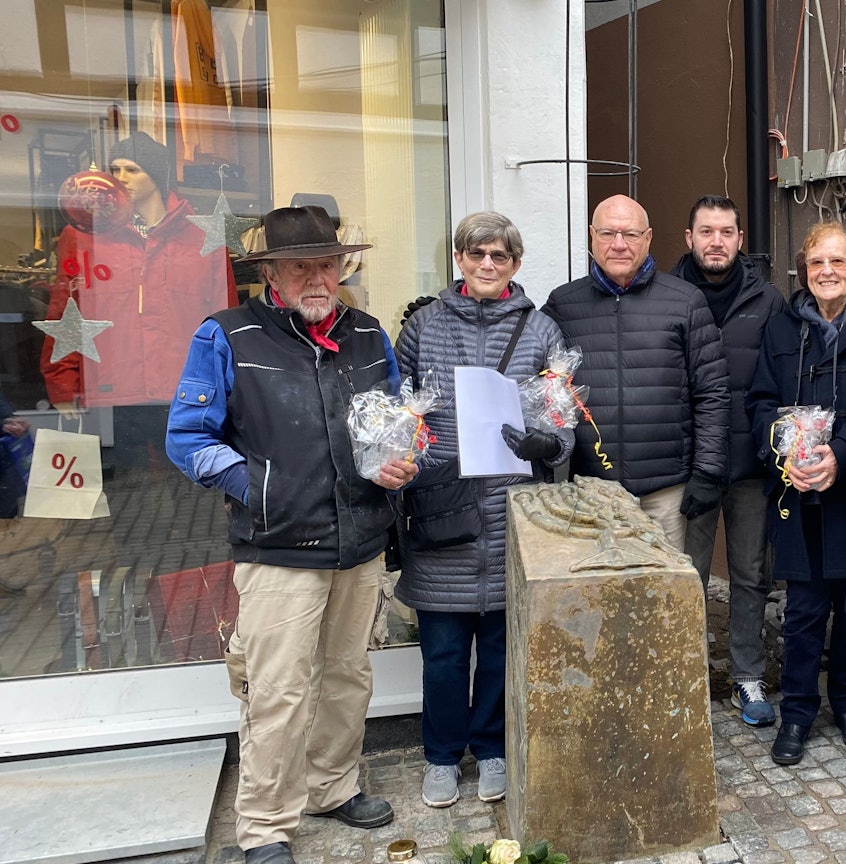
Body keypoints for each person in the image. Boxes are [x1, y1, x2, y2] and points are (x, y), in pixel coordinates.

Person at [165, 206, 414, 864]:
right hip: (279, 549)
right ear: (270, 273)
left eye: (326, 263)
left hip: (359, 542)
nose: (316, 276)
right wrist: (260, 491)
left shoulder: (367, 333)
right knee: (277, 692)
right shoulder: (227, 336)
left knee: (347, 676)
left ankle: (333, 787)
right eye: (299, 265)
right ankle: (266, 826)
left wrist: (397, 458)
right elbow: (187, 441)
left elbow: (388, 423)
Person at [393, 212, 573, 808]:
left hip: (511, 512)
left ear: (516, 264)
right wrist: (414, 452)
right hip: (443, 508)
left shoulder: (542, 329)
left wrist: (550, 442)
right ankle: (442, 757)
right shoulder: (422, 327)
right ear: (459, 260)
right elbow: (398, 412)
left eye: (499, 256)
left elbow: (560, 410)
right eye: (476, 255)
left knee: (499, 646)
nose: (487, 265)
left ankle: (492, 747)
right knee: (442, 652)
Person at [746, 222, 846, 767]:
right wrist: (786, 450)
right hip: (796, 490)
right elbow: (760, 401)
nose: (827, 272)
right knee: (803, 612)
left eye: (838, 262)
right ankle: (799, 713)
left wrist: (842, 455)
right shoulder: (783, 327)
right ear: (803, 270)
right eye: (816, 263)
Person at [542, 195, 730, 550]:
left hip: (667, 493)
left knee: (667, 600)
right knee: (600, 598)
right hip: (592, 493)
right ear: (591, 237)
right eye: (608, 233)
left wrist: (708, 471)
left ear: (648, 238)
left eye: (630, 234)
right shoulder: (563, 304)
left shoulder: (685, 301)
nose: (618, 245)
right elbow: (530, 356)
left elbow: (712, 393)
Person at [43, 131, 236, 460]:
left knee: (189, 500)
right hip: (113, 393)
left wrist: (230, 388)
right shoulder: (85, 236)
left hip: (187, 393)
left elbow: (224, 315)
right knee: (124, 497)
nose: (120, 179)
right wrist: (63, 383)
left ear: (157, 175)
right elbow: (66, 314)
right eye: (114, 170)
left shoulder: (202, 238)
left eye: (132, 170)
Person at [672, 195, 785, 728]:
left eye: (727, 232)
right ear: (687, 238)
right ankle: (685, 676)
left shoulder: (768, 300)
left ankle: (747, 674)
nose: (716, 241)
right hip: (687, 467)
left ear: (741, 240)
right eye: (706, 231)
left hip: (748, 465)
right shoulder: (665, 297)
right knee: (685, 577)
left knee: (750, 574)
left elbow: (783, 378)